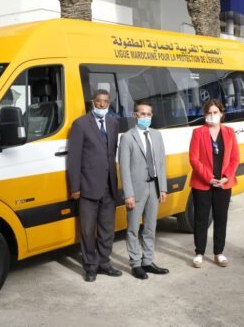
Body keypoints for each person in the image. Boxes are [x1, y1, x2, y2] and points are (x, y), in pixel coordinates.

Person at [67, 89, 122, 282]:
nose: (102, 104)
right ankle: (91, 266)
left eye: (105, 101)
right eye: (99, 101)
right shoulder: (80, 124)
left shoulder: (113, 123)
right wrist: (75, 187)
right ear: (93, 102)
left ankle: (105, 264)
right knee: (88, 231)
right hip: (88, 187)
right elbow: (74, 158)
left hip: (109, 186)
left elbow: (111, 153)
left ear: (109, 103)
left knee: (107, 230)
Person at [119, 100, 169, 279]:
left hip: (153, 187)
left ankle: (147, 261)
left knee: (150, 227)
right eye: (142, 114)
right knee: (133, 228)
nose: (145, 117)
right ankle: (135, 263)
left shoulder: (156, 135)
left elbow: (161, 163)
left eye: (148, 114)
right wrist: (128, 194)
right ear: (135, 115)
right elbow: (124, 168)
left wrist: (162, 188)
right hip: (136, 189)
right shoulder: (127, 137)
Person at [188, 99, 240, 268]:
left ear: (221, 113)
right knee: (201, 219)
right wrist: (208, 178)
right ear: (205, 114)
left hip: (223, 183)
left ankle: (219, 252)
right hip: (203, 183)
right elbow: (194, 159)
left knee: (221, 218)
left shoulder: (229, 132)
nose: (212, 115)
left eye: (215, 112)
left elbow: (235, 158)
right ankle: (199, 253)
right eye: (209, 113)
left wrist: (226, 176)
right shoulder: (198, 132)